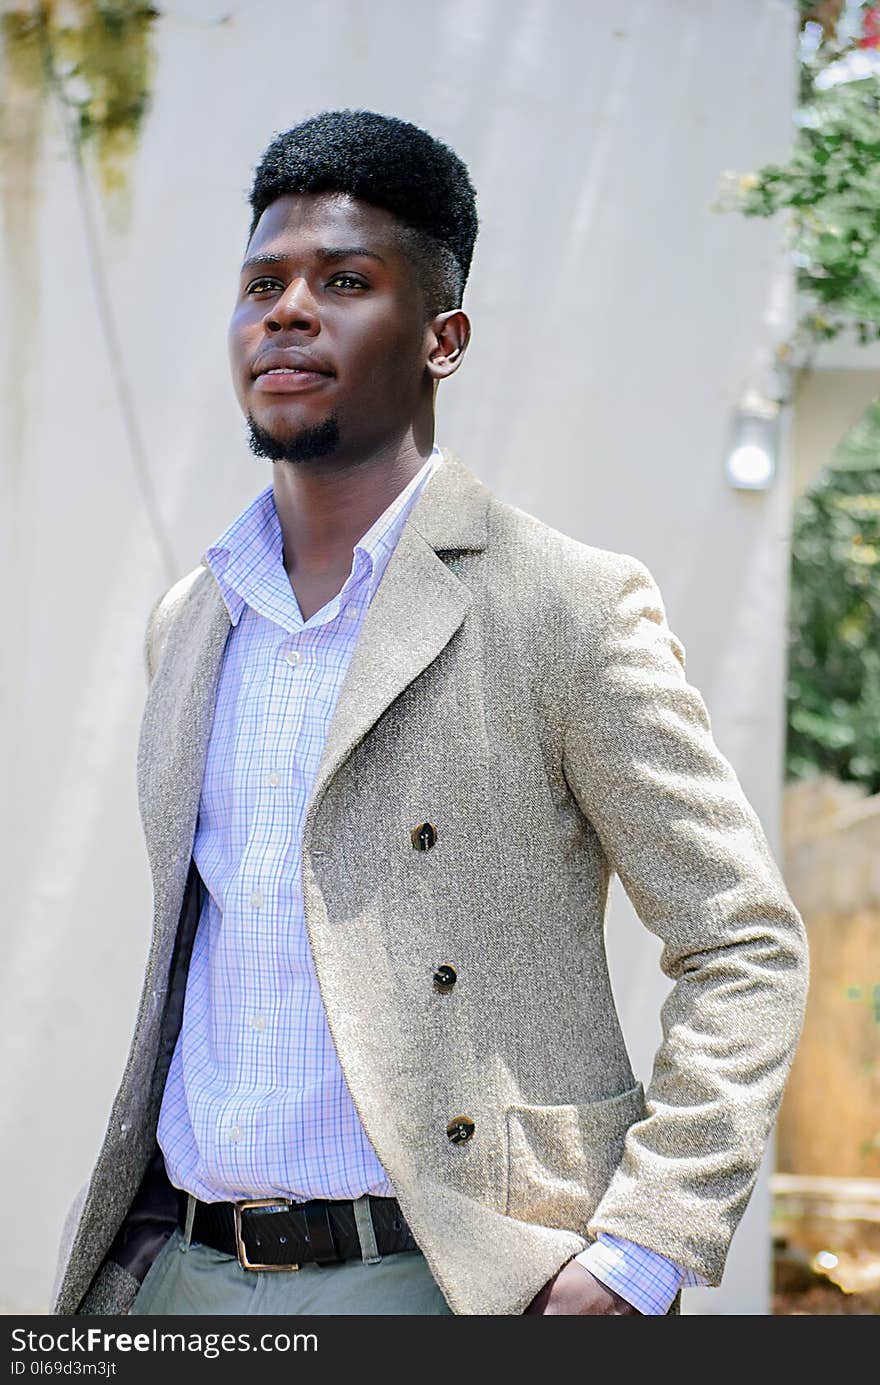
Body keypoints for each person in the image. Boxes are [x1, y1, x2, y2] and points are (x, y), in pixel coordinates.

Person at [52, 109, 809, 1318]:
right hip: (175, 1271)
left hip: (440, 1274)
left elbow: (744, 945)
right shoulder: (192, 620)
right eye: (263, 283)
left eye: (344, 280)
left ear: (442, 337)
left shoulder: (563, 606)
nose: (287, 310)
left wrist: (642, 1249)